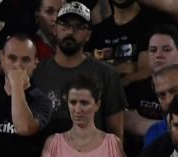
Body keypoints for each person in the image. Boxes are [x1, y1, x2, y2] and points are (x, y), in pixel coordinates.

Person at [31, 2, 126, 137]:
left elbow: (116, 133)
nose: (70, 31)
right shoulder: (37, 72)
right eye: (65, 25)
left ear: (88, 35)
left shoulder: (106, 74)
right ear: (55, 29)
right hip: (47, 155)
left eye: (79, 27)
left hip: (92, 155)